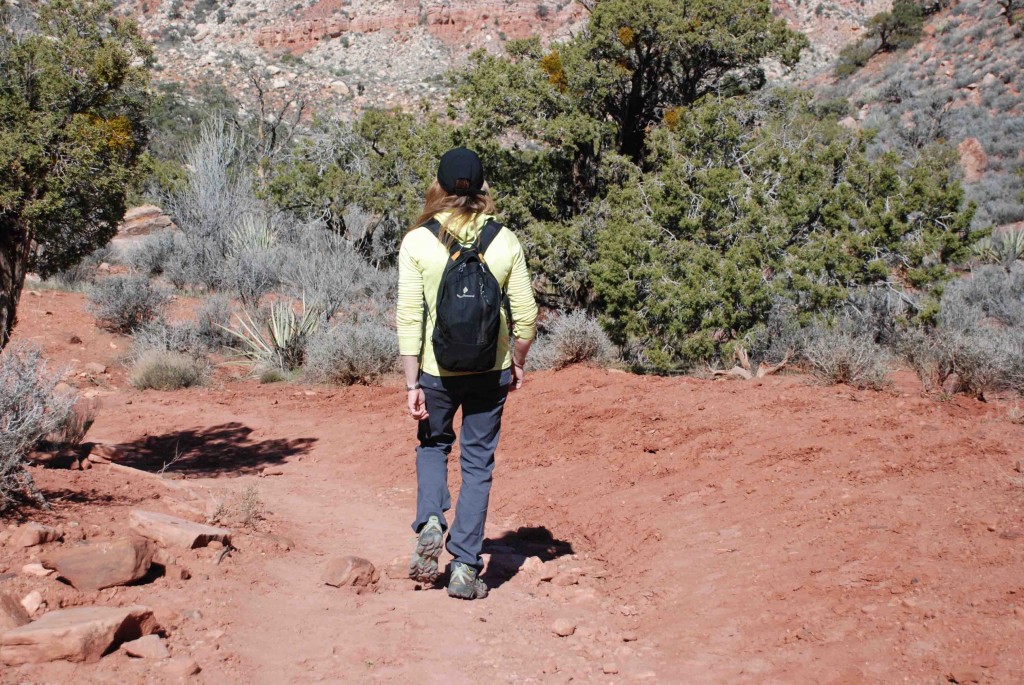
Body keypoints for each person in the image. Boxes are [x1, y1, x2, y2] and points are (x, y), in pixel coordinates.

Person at [396, 147, 538, 600]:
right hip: (489, 371)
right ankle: (464, 568)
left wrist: (411, 382)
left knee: (433, 445)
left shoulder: (418, 241)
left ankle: (432, 519)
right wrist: (516, 361)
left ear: (438, 184)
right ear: (481, 187)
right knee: (477, 464)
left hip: (437, 372)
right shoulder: (505, 240)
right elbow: (528, 316)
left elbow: (408, 317)